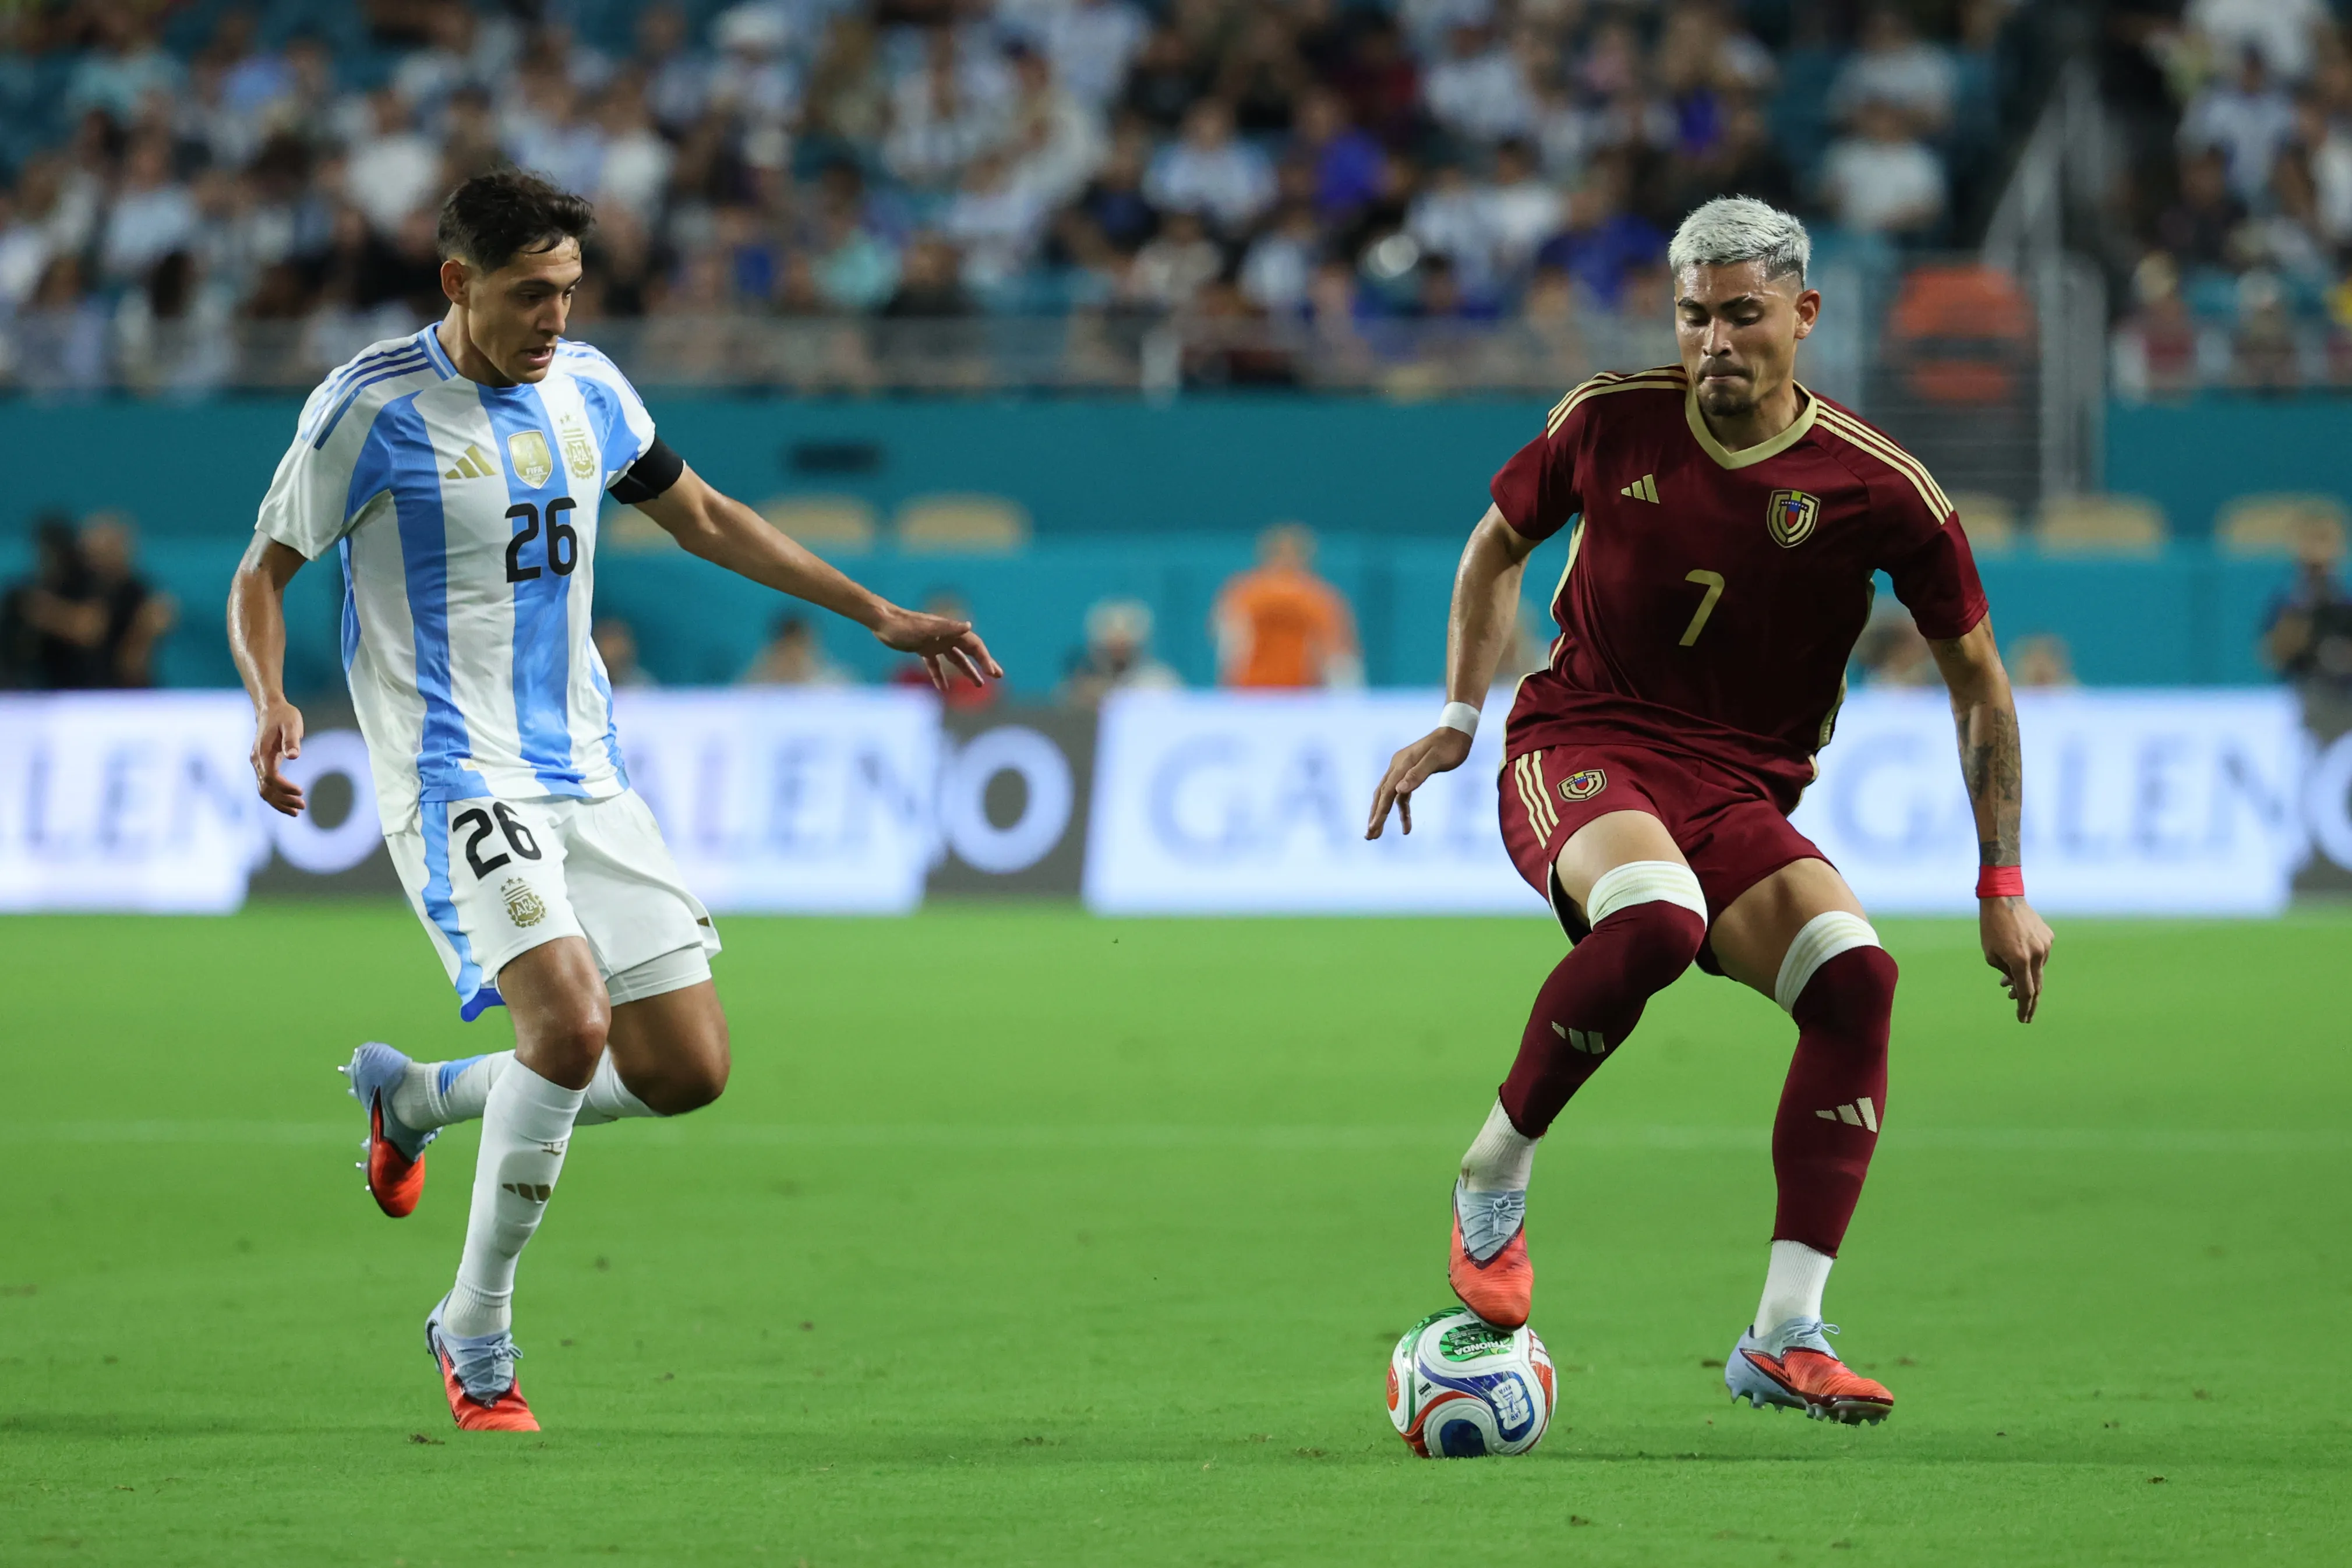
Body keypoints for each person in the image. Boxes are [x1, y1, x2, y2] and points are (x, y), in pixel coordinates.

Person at [225, 169, 1000, 1434]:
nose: (555, 317)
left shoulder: (590, 386)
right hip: (457, 768)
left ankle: (418, 1096)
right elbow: (263, 572)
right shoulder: (369, 408)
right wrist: (269, 695)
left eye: (571, 290)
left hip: (587, 766)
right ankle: (475, 1328)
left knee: (687, 1068)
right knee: (571, 1025)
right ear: (456, 282)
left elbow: (699, 514)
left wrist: (878, 613)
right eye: (531, 293)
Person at [1365, 197, 2052, 1426]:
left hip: (1740, 785)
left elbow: (1980, 683)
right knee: (1655, 919)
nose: (1716, 342)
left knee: (1857, 977)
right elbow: (1492, 549)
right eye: (1694, 316)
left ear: (1805, 315)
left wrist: (2001, 883)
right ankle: (1494, 1168)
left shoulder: (1879, 486)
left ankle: (1786, 1330)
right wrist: (1462, 721)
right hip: (1584, 741)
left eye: (1743, 314)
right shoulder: (1607, 418)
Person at [1213, 523, 1361, 688]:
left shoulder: (1245, 593)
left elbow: (1336, 653)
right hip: (1259, 694)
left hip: (1290, 695)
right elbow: (1231, 645)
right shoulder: (1318, 598)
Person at [1057, 596, 1181, 708]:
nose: (1118, 648)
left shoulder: (1159, 683)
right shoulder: (1077, 687)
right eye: (1111, 645)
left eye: (1125, 645)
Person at [740, 613, 853, 686]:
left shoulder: (835, 686)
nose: (794, 657)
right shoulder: (755, 686)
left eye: (799, 649)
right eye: (788, 650)